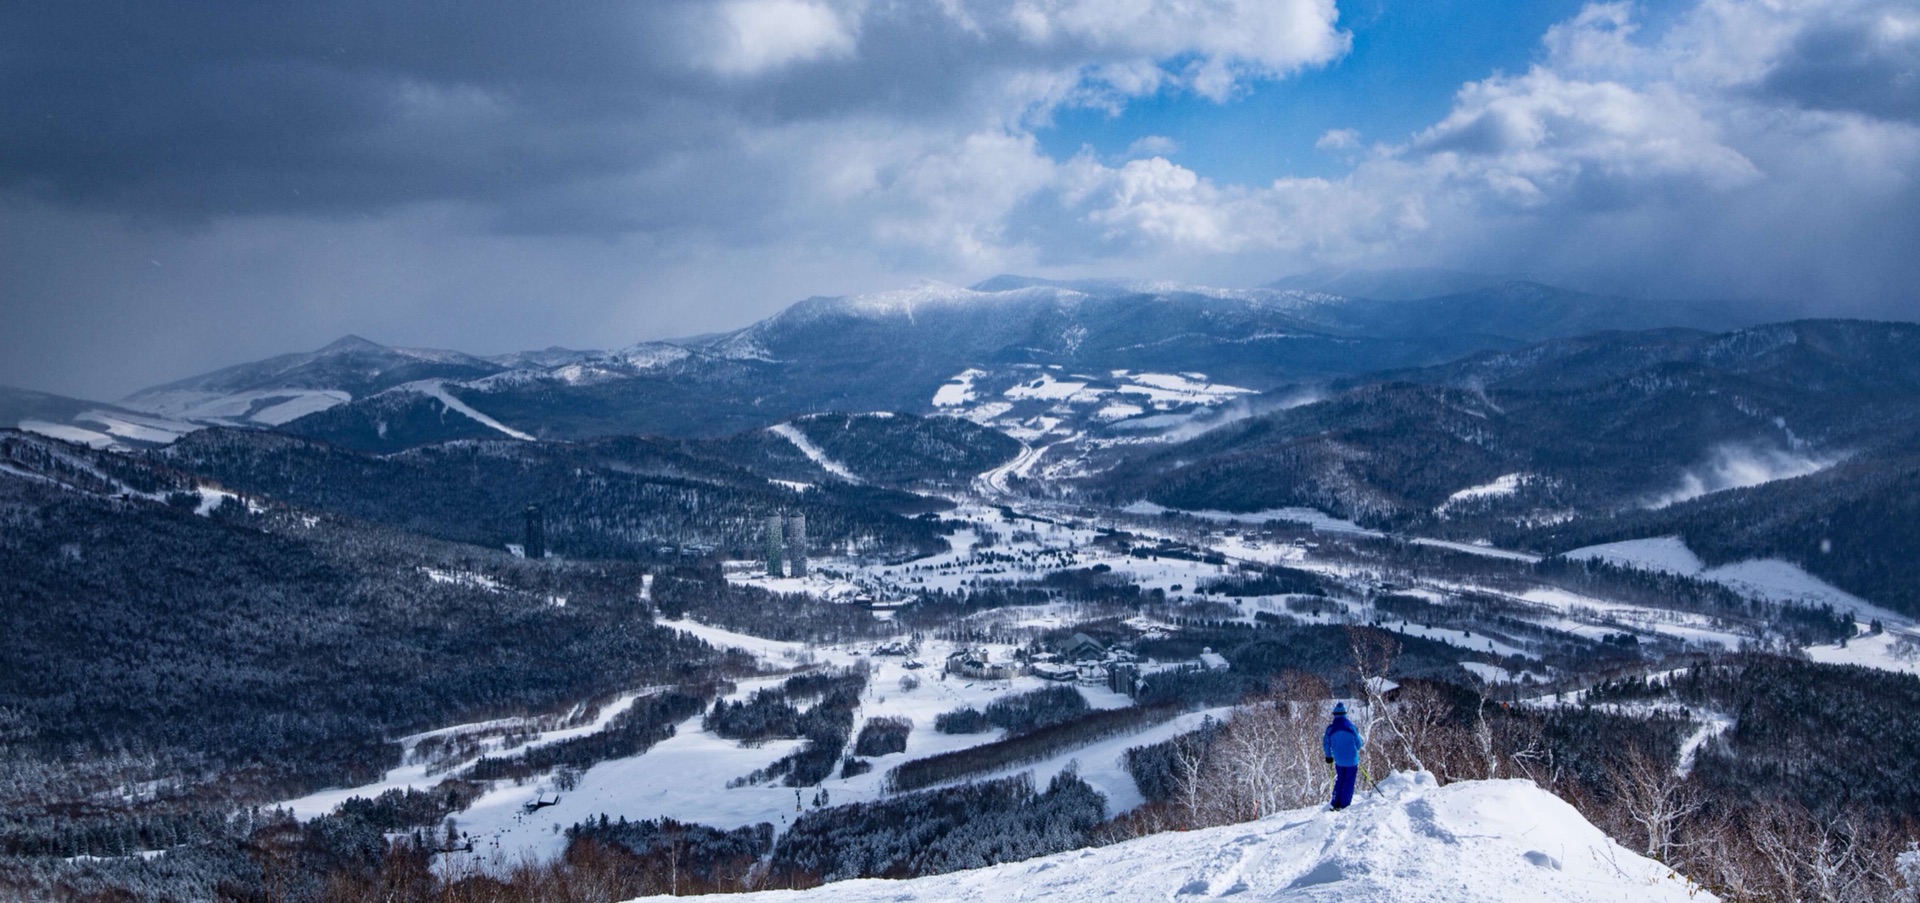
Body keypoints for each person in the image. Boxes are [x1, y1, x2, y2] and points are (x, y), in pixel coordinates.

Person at [1323, 701, 1365, 810]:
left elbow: (1326, 744)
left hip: (1339, 761)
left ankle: (1335, 802)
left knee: (1340, 780)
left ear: (1335, 715)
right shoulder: (1351, 727)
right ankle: (1344, 805)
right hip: (1352, 761)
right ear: (1345, 714)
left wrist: (1329, 756)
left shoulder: (1330, 729)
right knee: (1349, 782)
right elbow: (1359, 744)